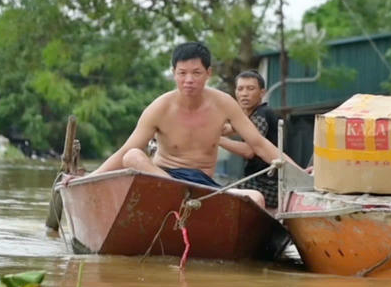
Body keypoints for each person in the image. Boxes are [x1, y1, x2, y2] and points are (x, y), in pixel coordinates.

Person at [91, 42, 291, 209]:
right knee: (132, 156)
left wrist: (299, 174)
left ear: (208, 73)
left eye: (196, 73)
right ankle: (180, 192)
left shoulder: (224, 103)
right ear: (174, 73)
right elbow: (125, 151)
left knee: (256, 198)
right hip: (164, 178)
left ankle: (188, 195)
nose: (189, 80)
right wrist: (91, 177)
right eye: (182, 73)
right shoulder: (160, 107)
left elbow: (258, 144)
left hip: (204, 187)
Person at [218, 70, 281, 208]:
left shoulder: (261, 114)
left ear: (262, 93)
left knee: (221, 192)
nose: (244, 94)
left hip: (270, 186)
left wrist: (217, 140)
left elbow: (249, 151)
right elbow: (229, 129)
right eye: (240, 89)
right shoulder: (249, 116)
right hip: (259, 182)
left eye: (250, 89)